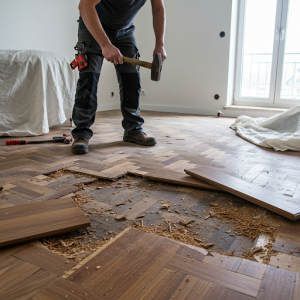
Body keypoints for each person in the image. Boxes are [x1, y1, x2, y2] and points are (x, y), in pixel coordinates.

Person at [71, 0, 167, 154]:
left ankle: (133, 130)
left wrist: (160, 44)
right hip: (93, 26)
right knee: (88, 79)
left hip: (125, 31)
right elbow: (84, 6)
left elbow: (158, 9)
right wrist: (105, 45)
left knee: (132, 80)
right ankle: (81, 134)